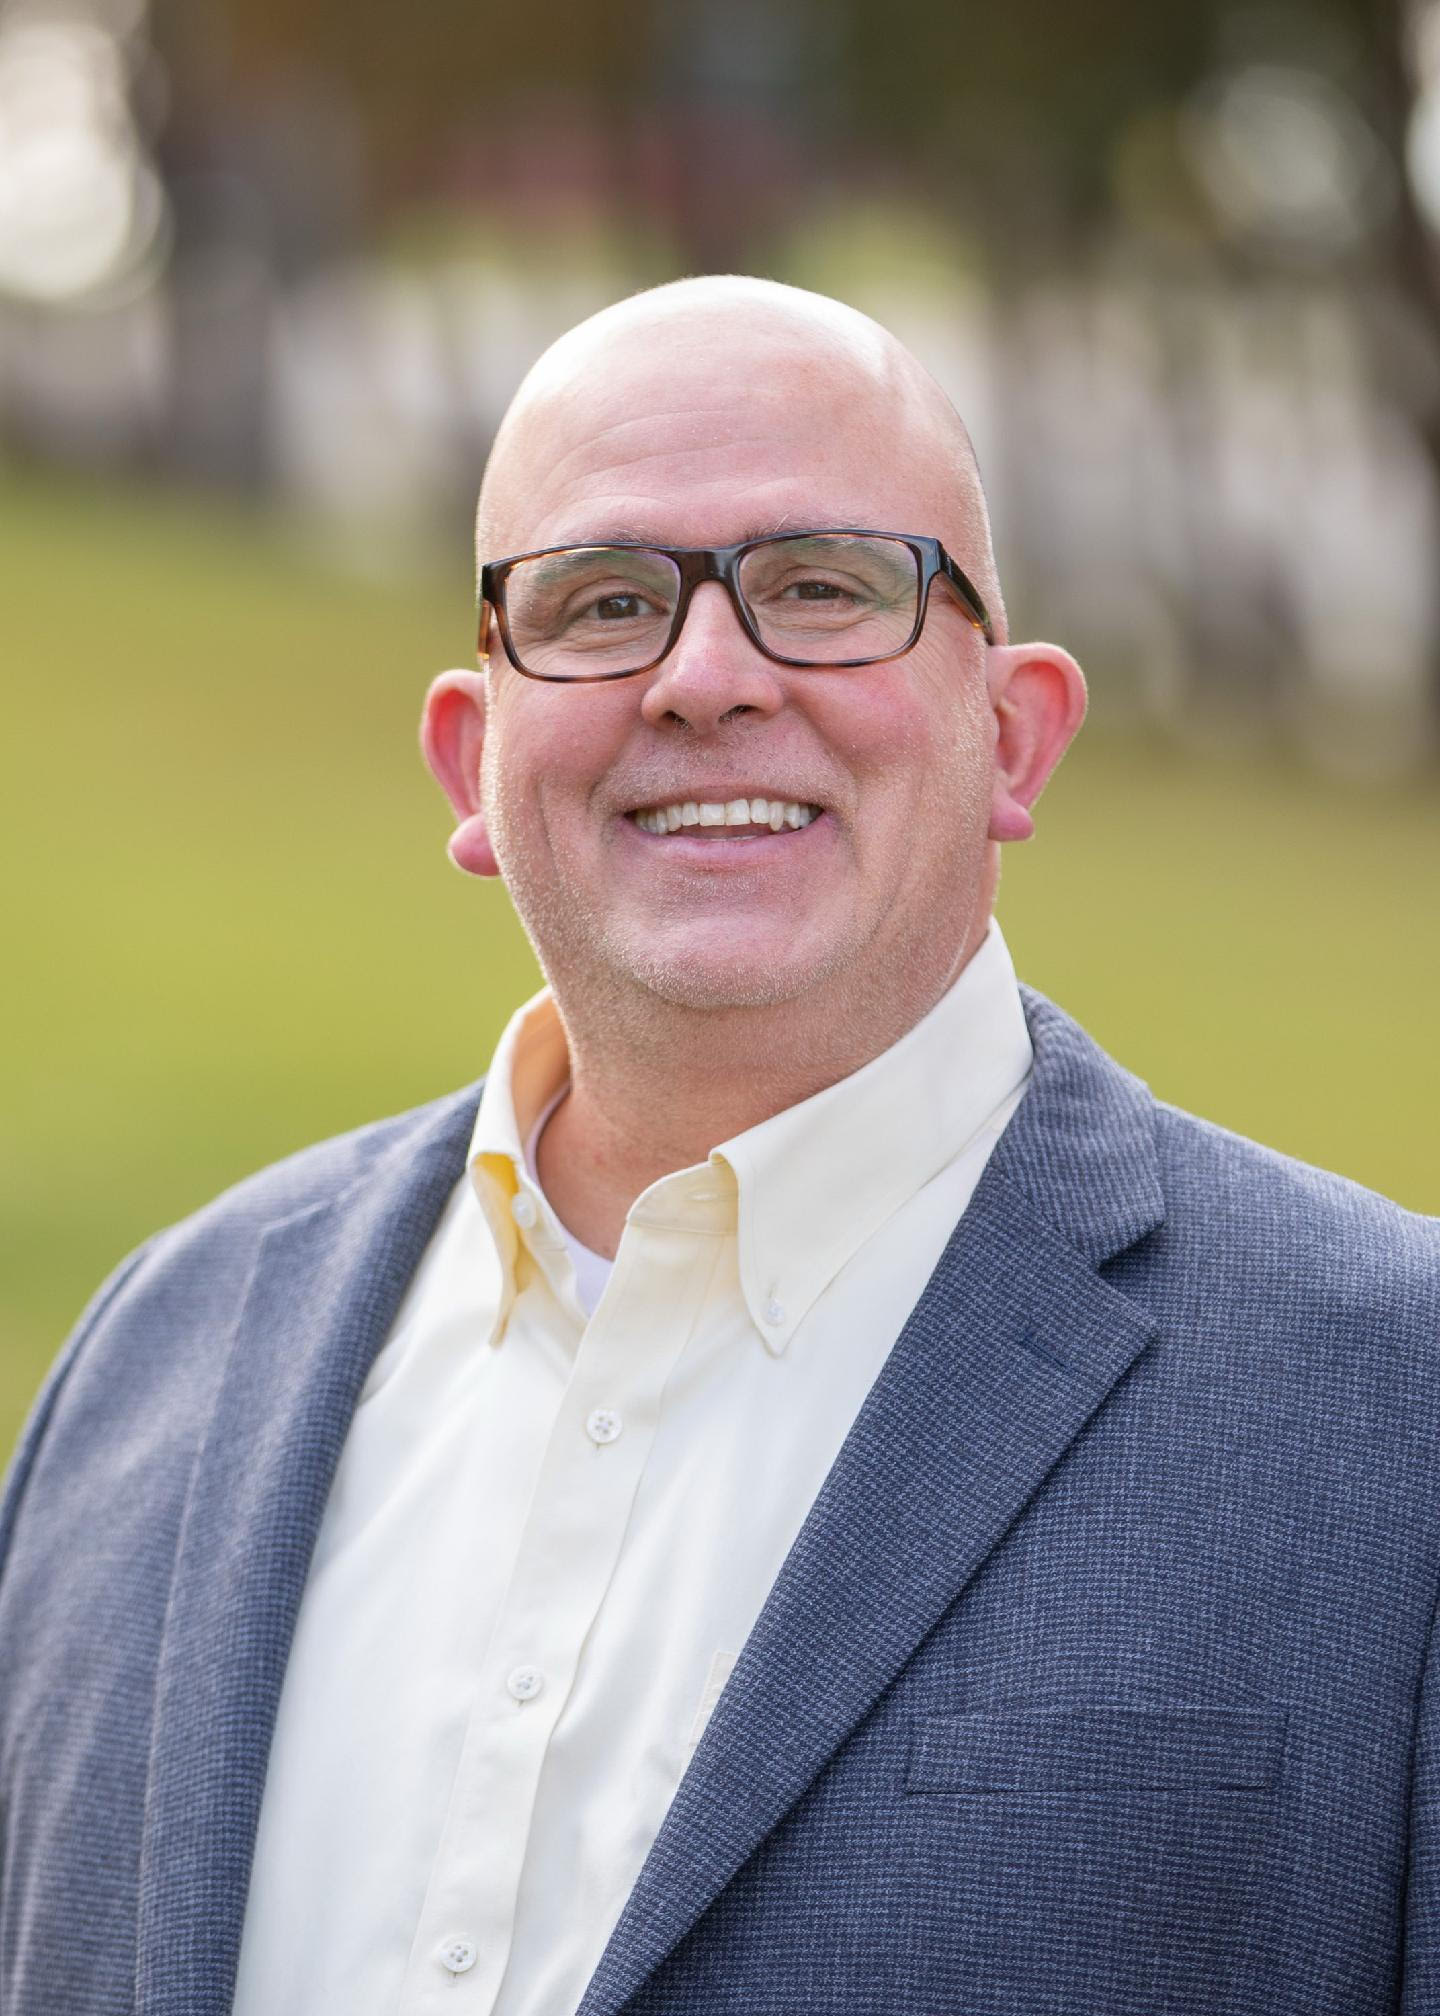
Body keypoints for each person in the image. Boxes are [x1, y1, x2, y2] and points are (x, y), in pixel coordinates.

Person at [1, 275, 1437, 2016]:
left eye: (823, 589)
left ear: (1017, 733)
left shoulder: (1391, 1411)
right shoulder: (150, 1367)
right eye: (602, 604)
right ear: (472, 762)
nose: (703, 678)